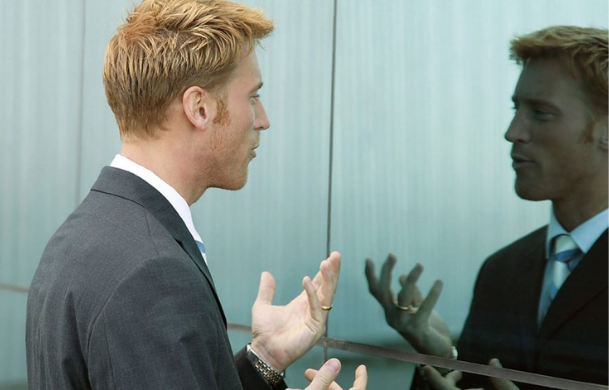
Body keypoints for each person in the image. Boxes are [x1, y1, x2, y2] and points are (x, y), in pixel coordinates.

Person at [25, 1, 367, 389]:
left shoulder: (82, 235)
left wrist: (263, 360)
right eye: (252, 96)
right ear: (199, 108)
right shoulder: (152, 275)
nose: (263, 119)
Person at [366, 25, 608, 389]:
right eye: (517, 109)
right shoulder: (502, 273)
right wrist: (443, 357)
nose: (513, 131)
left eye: (541, 113)